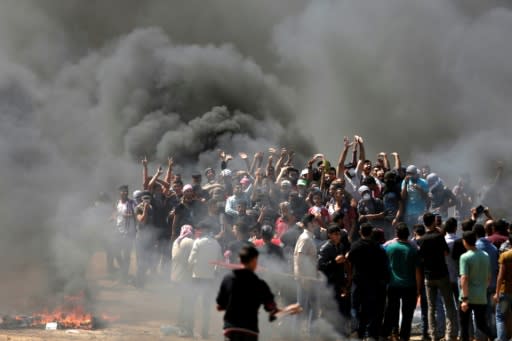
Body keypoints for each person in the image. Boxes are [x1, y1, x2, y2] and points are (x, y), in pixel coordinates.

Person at [216, 245, 286, 341]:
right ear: (254, 261)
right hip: (250, 331)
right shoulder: (260, 284)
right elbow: (271, 308)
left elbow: (220, 305)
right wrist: (286, 311)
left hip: (231, 330)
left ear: (239, 259)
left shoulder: (228, 279)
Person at [346, 222, 390, 341]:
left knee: (355, 306)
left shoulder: (355, 246)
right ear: (371, 233)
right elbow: (384, 266)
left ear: (360, 232)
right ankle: (369, 334)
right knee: (370, 307)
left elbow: (348, 261)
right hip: (372, 283)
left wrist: (350, 276)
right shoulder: (377, 247)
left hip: (358, 282)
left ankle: (356, 331)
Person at [381, 223, 421, 341]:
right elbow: (417, 271)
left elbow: (384, 267)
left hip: (393, 285)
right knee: (407, 315)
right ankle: (404, 337)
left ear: (396, 235)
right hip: (410, 286)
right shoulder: (413, 249)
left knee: (391, 311)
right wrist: (419, 289)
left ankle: (389, 334)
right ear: (408, 235)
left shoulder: (389, 248)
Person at [188, 220, 223, 339]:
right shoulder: (216, 244)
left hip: (196, 277)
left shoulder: (198, 242)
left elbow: (190, 261)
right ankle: (204, 332)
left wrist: (190, 269)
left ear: (203, 230)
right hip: (209, 278)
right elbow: (219, 263)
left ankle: (190, 329)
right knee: (206, 306)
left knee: (192, 303)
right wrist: (214, 272)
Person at [459, 231, 493, 341]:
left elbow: (464, 278)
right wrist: (482, 289)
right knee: (481, 324)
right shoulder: (485, 255)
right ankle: (494, 338)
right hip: (480, 296)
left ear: (464, 241)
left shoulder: (464, 257)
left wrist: (464, 299)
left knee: (464, 325)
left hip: (467, 296)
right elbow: (489, 277)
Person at [317, 225, 351, 337]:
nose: (338, 236)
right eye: (335, 234)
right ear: (329, 235)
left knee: (340, 309)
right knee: (329, 309)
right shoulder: (325, 248)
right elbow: (320, 266)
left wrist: (345, 280)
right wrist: (334, 262)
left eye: (339, 234)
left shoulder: (340, 246)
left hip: (339, 283)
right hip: (328, 284)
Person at [294, 214, 319, 338]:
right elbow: (299, 258)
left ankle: (310, 333)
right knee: (302, 306)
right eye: (314, 221)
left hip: (310, 277)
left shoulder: (309, 237)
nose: (317, 223)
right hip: (305, 278)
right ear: (309, 224)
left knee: (311, 306)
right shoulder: (305, 238)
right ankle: (296, 333)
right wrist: (302, 277)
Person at [170, 225, 195, 337]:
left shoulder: (177, 241)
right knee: (188, 302)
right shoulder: (191, 242)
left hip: (176, 277)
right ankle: (185, 327)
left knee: (182, 301)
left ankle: (180, 323)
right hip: (187, 277)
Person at [112, 185, 136, 280]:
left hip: (128, 232)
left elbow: (136, 214)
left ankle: (125, 274)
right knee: (116, 252)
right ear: (119, 192)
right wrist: (112, 218)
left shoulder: (131, 203)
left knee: (126, 253)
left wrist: (128, 215)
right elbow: (115, 213)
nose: (125, 193)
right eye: (123, 191)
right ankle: (123, 269)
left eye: (126, 191)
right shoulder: (117, 203)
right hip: (118, 231)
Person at [134, 191, 156, 288]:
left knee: (148, 261)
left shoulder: (152, 208)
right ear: (141, 200)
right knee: (141, 262)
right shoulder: (138, 208)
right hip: (141, 238)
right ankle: (139, 282)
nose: (147, 200)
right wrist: (145, 210)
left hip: (150, 238)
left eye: (148, 198)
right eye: (144, 198)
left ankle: (142, 280)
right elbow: (142, 220)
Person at [494, 234, 512, 341]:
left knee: (500, 316)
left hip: (505, 291)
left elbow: (500, 276)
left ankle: (501, 339)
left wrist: (496, 292)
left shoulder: (505, 256)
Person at [401, 165, 429, 232]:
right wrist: (405, 183)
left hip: (420, 213)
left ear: (416, 174)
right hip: (409, 213)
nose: (410, 176)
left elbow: (427, 198)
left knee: (420, 232)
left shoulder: (424, 182)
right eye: (408, 174)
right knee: (410, 232)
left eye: (412, 174)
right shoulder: (405, 182)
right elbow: (403, 197)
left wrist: (420, 189)